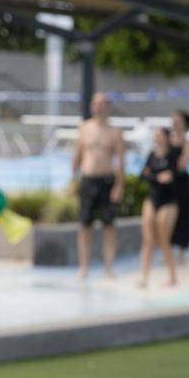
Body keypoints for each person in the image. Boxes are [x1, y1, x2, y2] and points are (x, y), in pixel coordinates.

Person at [71, 93, 126, 278]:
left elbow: (120, 160)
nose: (99, 107)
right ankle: (84, 267)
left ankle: (109, 267)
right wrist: (73, 178)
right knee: (85, 226)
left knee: (108, 227)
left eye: (102, 103)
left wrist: (119, 185)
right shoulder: (85, 129)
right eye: (96, 103)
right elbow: (78, 155)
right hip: (88, 180)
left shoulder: (115, 131)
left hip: (107, 181)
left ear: (109, 107)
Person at [139, 126, 181, 287]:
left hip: (168, 202)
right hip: (152, 198)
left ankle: (172, 277)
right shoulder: (151, 155)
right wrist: (157, 177)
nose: (156, 137)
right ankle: (144, 277)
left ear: (166, 137)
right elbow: (143, 175)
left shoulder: (172, 155)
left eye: (159, 134)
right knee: (148, 241)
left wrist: (152, 175)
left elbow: (170, 177)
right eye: (155, 134)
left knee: (164, 241)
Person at [169, 110, 189, 263]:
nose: (174, 124)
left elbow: (182, 164)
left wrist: (167, 167)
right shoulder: (168, 140)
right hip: (169, 184)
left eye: (177, 121)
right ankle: (168, 249)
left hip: (181, 184)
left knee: (183, 216)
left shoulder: (187, 143)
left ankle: (181, 252)